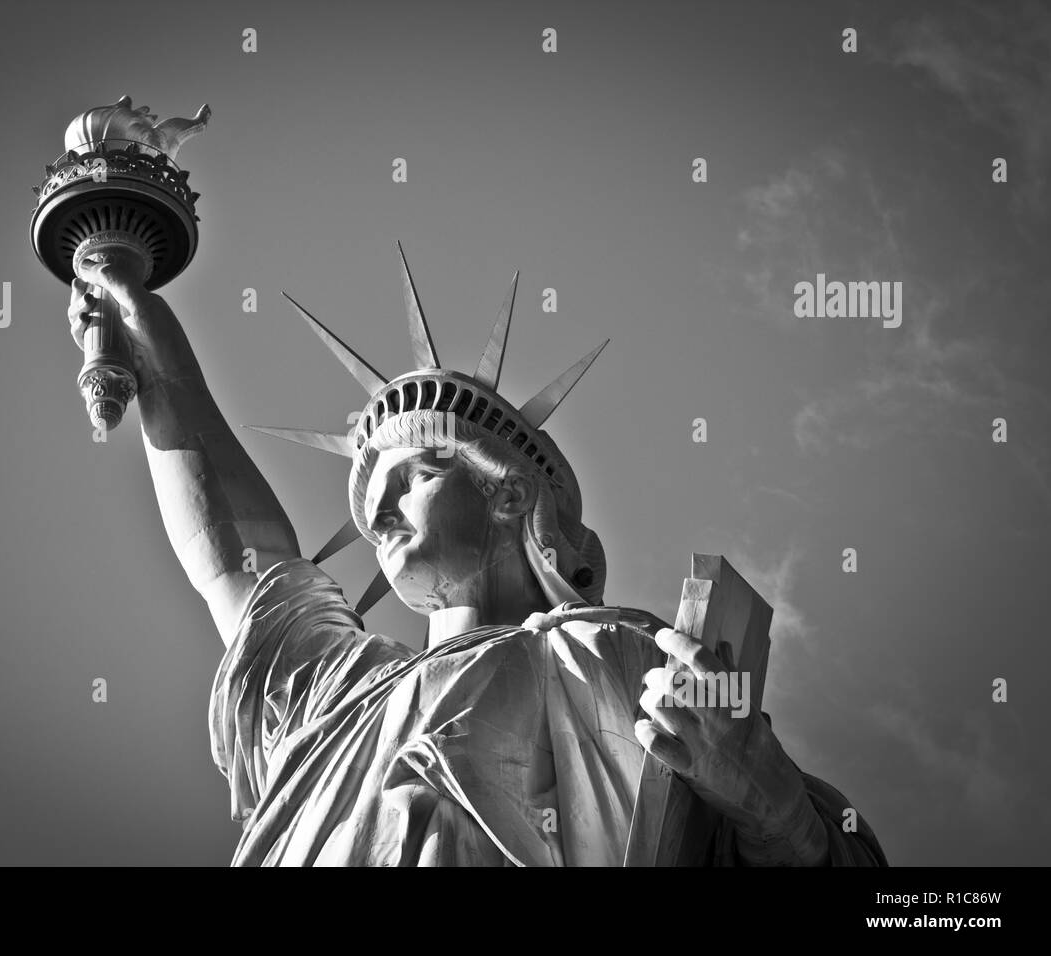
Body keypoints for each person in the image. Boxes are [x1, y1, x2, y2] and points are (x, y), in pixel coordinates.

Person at [64, 251, 887, 867]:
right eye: (368, 494)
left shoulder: (631, 664)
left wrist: (769, 802)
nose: (378, 512)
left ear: (507, 496)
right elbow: (237, 563)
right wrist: (143, 330)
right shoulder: (335, 690)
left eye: (417, 475)